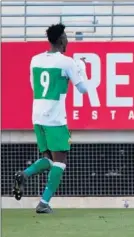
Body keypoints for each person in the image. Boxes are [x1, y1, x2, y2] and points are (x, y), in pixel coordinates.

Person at [12, 23, 89, 214]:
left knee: (47, 158)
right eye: (66, 37)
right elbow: (83, 89)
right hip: (55, 119)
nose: (67, 40)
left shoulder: (35, 60)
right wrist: (82, 68)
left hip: (37, 116)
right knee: (61, 161)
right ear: (62, 40)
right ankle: (44, 203)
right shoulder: (67, 62)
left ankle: (24, 174)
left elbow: (33, 85)